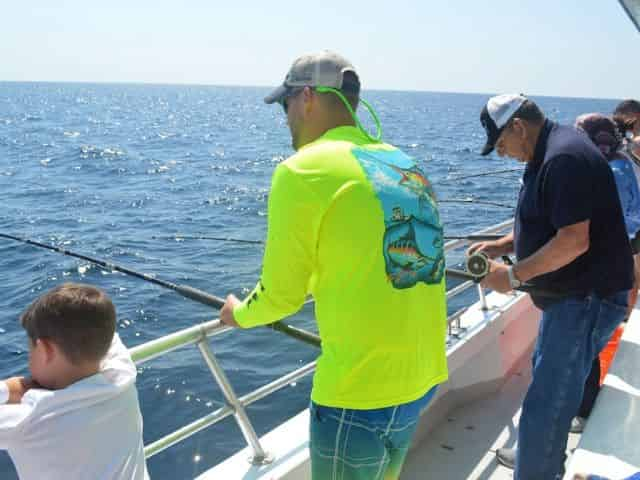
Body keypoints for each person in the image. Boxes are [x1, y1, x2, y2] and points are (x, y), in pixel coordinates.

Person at [219, 50, 448, 480]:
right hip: (422, 376)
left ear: (307, 97)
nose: (284, 116)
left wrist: (239, 313)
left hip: (359, 393)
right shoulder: (403, 162)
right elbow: (401, 262)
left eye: (285, 104)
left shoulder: (300, 171)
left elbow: (280, 298)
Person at [470, 94, 633, 480]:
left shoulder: (562, 158)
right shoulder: (551, 150)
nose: (503, 153)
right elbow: (552, 216)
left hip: (585, 300)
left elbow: (574, 239)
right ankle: (538, 461)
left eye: (501, 144)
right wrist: (506, 244)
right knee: (549, 393)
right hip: (570, 300)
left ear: (517, 127)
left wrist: (511, 276)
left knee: (548, 406)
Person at [0, 283, 148, 480]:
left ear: (46, 350)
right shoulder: (122, 373)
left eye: (31, 350)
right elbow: (102, 331)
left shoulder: (28, 420)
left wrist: (11, 388)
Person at [571, 113, 640, 431]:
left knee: (582, 343)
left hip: (596, 274)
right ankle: (584, 407)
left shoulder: (607, 170)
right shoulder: (624, 164)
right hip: (614, 269)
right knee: (589, 343)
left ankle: (584, 410)